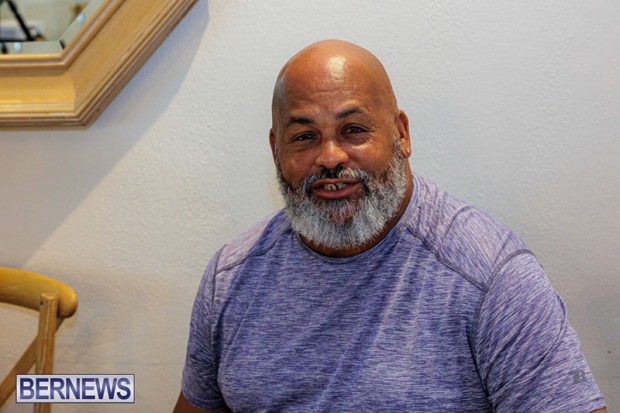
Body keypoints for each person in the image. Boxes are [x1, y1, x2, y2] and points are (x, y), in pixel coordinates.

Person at [173, 40, 607, 413]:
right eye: (304, 136)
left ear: (401, 134)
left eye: (353, 129)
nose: (330, 157)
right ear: (276, 150)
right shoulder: (230, 279)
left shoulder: (491, 279)